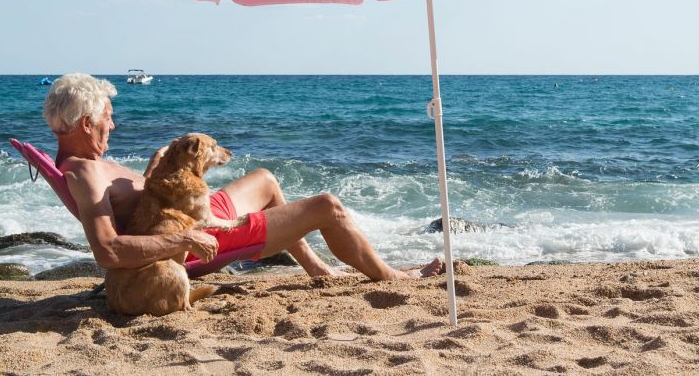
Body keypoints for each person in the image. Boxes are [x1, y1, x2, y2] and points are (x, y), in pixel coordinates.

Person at [44, 73, 444, 280]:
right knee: (327, 206)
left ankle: (318, 268)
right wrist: (185, 239)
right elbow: (109, 252)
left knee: (266, 179)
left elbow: (139, 203)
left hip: (188, 211)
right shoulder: (84, 174)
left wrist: (154, 171)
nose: (112, 127)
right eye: (107, 119)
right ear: (85, 122)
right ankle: (393, 276)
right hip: (197, 235)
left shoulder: (92, 164)